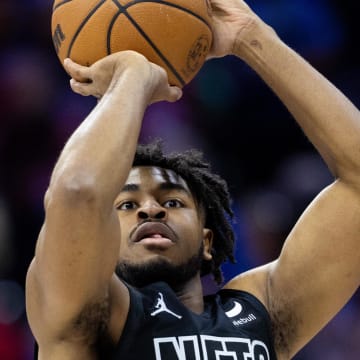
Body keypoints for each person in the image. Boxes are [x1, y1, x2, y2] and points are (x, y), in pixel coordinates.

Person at [26, 0, 360, 359]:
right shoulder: (86, 319)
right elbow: (78, 192)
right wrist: (132, 74)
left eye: (173, 202)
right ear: (101, 238)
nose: (150, 209)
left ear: (206, 240)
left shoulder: (263, 314)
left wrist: (253, 38)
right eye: (127, 204)